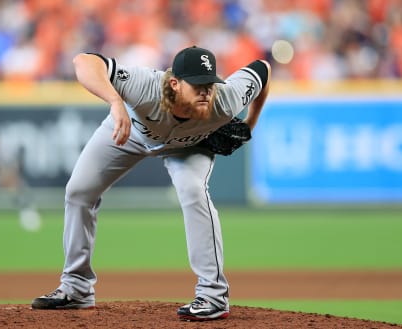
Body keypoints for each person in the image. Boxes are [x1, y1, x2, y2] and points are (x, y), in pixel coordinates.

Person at [31, 46, 271, 321]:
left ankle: (213, 296)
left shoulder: (226, 99)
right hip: (128, 132)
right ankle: (76, 289)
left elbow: (263, 69)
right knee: (78, 192)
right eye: (197, 85)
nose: (206, 91)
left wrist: (251, 122)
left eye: (209, 84)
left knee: (194, 192)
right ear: (174, 83)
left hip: (188, 148)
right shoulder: (145, 86)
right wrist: (115, 101)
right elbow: (83, 61)